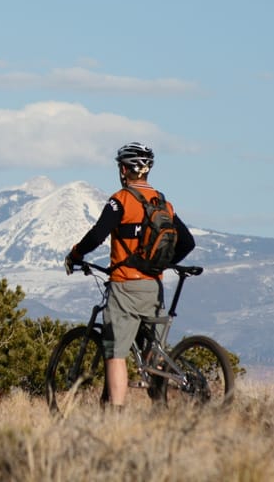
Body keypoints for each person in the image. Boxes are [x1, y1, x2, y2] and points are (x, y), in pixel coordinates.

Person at [64, 142, 195, 407]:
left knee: (116, 353)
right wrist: (159, 266)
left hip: (125, 285)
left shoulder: (121, 200)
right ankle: (162, 408)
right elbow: (187, 243)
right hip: (154, 287)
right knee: (153, 355)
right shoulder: (163, 203)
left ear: (124, 169)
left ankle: (117, 413)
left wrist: (76, 254)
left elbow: (97, 235)